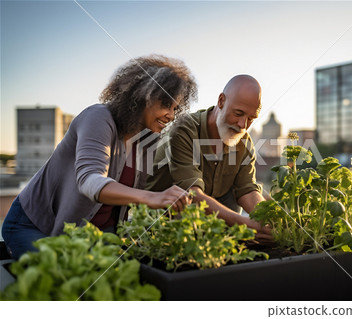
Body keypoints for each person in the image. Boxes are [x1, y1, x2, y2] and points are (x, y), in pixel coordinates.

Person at [2, 54, 198, 260]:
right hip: (35, 225)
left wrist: (172, 204)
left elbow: (139, 193)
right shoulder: (98, 118)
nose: (171, 115)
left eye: (175, 109)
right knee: (61, 279)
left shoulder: (149, 139)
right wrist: (152, 198)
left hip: (97, 232)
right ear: (141, 96)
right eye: (166, 105)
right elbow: (89, 181)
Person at [146, 74, 271, 240]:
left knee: (243, 189)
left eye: (251, 118)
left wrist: (268, 222)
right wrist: (245, 225)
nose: (243, 125)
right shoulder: (184, 130)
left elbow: (247, 189)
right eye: (238, 113)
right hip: (163, 219)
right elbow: (192, 194)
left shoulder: (244, 142)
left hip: (210, 219)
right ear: (221, 101)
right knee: (185, 201)